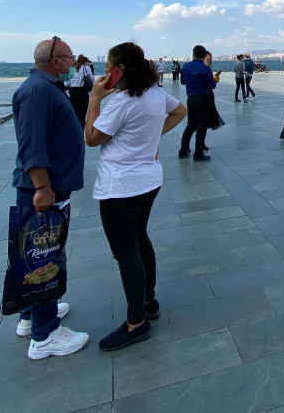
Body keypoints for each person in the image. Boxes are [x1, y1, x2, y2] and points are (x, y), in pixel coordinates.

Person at [85, 41, 187, 351]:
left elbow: (91, 138)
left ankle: (136, 321)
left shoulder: (120, 103)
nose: (104, 75)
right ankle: (149, 300)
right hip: (149, 181)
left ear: (119, 71)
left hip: (121, 187)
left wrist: (94, 99)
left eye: (107, 69)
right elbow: (180, 110)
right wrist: (154, 138)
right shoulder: (155, 93)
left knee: (126, 252)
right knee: (139, 237)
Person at [12, 37, 88, 359]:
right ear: (54, 60)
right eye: (69, 57)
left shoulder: (47, 86)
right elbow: (32, 144)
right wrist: (42, 187)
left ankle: (31, 317)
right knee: (44, 256)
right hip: (43, 190)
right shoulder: (39, 91)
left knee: (37, 253)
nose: (73, 62)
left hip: (50, 187)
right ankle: (45, 337)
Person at [179, 45, 215, 161]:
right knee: (201, 126)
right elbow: (213, 85)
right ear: (204, 55)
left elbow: (182, 82)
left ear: (193, 54)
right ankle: (198, 153)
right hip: (203, 98)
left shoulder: (186, 66)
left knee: (190, 124)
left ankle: (183, 150)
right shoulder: (205, 68)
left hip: (190, 98)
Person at [67, 54, 95, 126]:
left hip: (73, 93)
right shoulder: (86, 68)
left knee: (74, 115)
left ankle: (74, 132)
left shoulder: (72, 69)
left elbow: (66, 83)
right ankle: (81, 133)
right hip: (82, 93)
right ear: (84, 61)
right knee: (82, 115)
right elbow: (93, 80)